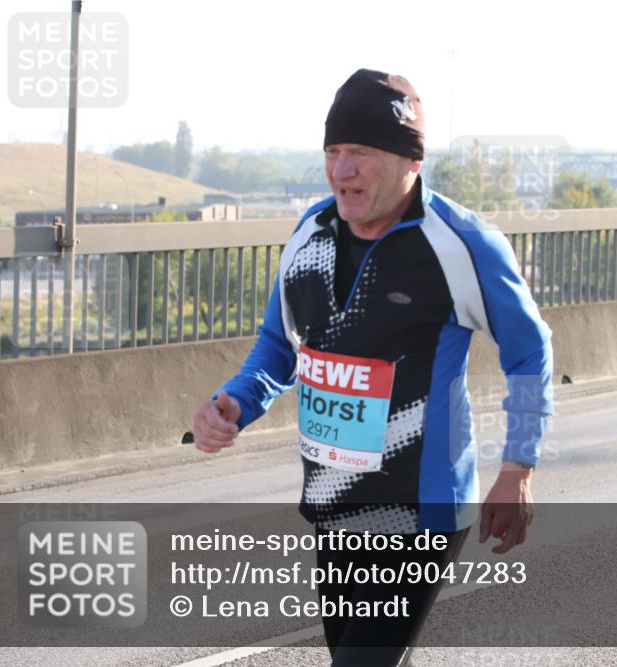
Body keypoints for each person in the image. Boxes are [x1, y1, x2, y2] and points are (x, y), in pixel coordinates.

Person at [190, 69, 553, 665]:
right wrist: (235, 400)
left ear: (411, 159)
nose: (341, 170)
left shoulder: (461, 243)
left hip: (419, 514)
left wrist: (518, 469)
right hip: (334, 506)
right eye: (333, 152)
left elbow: (528, 352)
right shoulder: (309, 232)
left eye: (360, 152)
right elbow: (280, 347)